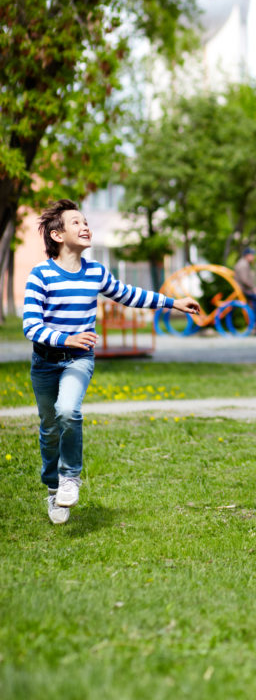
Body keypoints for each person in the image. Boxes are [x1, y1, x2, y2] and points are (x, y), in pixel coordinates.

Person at [23, 199, 201, 524]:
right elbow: (31, 326)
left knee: (68, 411)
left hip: (79, 359)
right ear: (57, 235)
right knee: (49, 430)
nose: (85, 226)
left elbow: (129, 294)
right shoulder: (41, 275)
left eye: (85, 221)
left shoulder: (95, 272)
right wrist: (66, 338)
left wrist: (173, 302)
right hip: (45, 362)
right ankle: (53, 488)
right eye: (76, 222)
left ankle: (70, 478)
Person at [233, 246, 256, 335]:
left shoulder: (245, 264)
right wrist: (254, 289)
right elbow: (244, 280)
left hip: (247, 290)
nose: (253, 257)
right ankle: (253, 321)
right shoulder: (242, 265)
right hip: (244, 290)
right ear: (247, 255)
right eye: (252, 255)